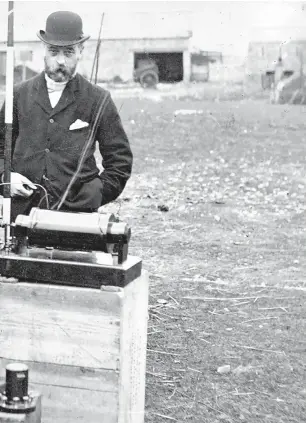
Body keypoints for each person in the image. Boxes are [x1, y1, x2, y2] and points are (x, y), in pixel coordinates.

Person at [0, 11, 133, 221]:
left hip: (77, 219)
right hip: (20, 216)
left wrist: (94, 194)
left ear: (80, 51)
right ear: (43, 49)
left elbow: (120, 162)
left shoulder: (98, 99)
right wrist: (5, 178)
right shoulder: (18, 95)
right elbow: (0, 148)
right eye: (54, 52)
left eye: (68, 52)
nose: (60, 60)